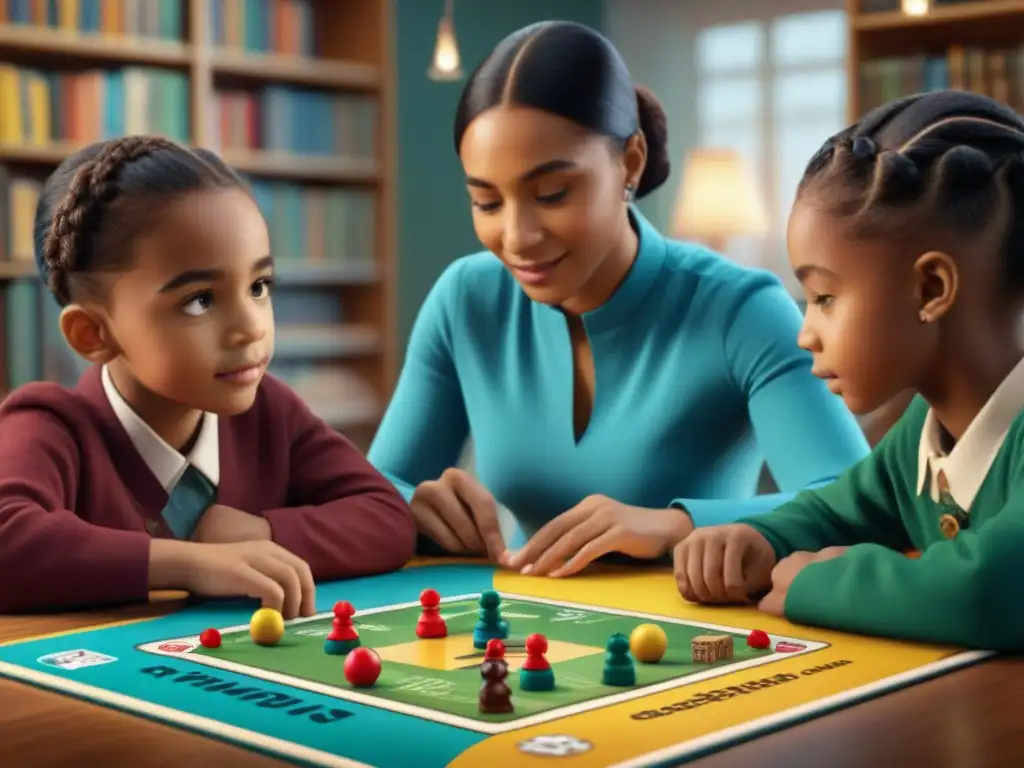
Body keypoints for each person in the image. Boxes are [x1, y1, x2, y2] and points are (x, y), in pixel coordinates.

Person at [368, 21, 869, 579]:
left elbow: (854, 502)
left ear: (630, 162)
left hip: (694, 638)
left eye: (552, 194)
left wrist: (676, 526)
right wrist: (406, 506)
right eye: (487, 202)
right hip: (517, 632)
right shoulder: (466, 299)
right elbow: (370, 491)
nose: (517, 236)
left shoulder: (742, 309)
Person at [0, 136, 416, 615]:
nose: (250, 328)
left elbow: (386, 517)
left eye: (258, 287)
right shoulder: (51, 424)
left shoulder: (269, 412)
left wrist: (260, 532)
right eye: (200, 300)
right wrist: (191, 563)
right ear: (92, 332)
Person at [673, 90, 1024, 651]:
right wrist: (759, 540)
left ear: (931, 289)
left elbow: (992, 590)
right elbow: (837, 510)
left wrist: (820, 582)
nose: (805, 333)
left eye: (824, 296)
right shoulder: (921, 432)